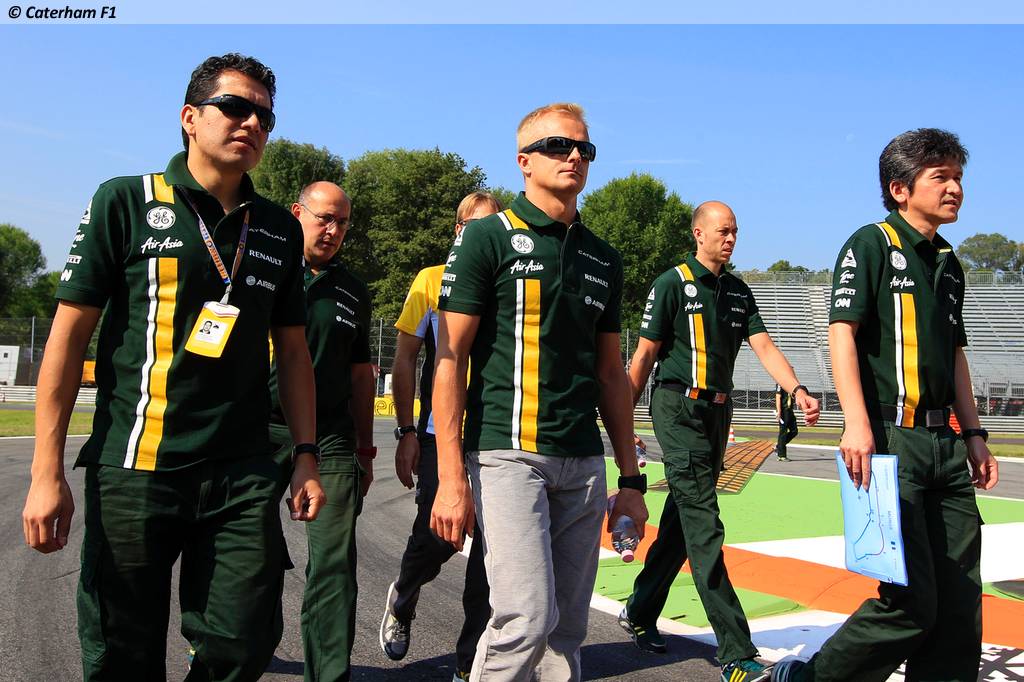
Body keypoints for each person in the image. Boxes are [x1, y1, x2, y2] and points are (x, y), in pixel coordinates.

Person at [21, 53, 325, 682]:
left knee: (244, 639)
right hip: (137, 465)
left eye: (265, 116)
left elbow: (294, 353)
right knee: (122, 650)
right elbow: (66, 341)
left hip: (241, 469)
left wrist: (305, 454)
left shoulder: (277, 227)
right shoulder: (126, 201)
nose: (252, 123)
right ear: (190, 117)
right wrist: (45, 472)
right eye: (235, 107)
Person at [429, 103, 649, 682]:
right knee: (524, 619)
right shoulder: (486, 238)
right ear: (524, 161)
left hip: (583, 464)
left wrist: (630, 482)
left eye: (584, 148)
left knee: (566, 632)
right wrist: (450, 478)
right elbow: (449, 361)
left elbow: (611, 375)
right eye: (558, 145)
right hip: (508, 456)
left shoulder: (604, 257)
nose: (574, 155)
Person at [772, 129, 999, 682]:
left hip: (946, 445)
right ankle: (811, 679)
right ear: (900, 189)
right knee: (909, 601)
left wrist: (974, 435)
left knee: (960, 602)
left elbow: (956, 353)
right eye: (940, 177)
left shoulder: (949, 261)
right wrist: (856, 424)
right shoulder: (870, 244)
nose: (955, 188)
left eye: (958, 176)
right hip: (891, 441)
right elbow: (841, 333)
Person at [617, 201, 820, 682]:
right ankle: (736, 653)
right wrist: (621, 421)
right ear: (698, 233)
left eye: (735, 232)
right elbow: (644, 356)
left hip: (717, 413)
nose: (730, 239)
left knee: (683, 522)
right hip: (678, 408)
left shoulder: (738, 291)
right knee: (705, 526)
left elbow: (764, 346)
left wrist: (797, 389)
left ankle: (640, 609)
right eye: (723, 231)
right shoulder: (671, 284)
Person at [380, 191, 502, 681]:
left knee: (490, 556)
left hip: (494, 433)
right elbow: (405, 358)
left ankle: (470, 664)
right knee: (439, 535)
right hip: (437, 432)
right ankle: (403, 596)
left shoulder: (507, 282)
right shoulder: (431, 281)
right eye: (476, 226)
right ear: (458, 230)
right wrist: (406, 430)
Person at [268, 181, 375, 682]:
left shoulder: (353, 290)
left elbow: (361, 376)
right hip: (255, 429)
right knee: (246, 553)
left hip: (330, 435)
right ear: (297, 213)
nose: (332, 230)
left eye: (342, 222)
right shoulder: (260, 265)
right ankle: (223, 646)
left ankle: (328, 675)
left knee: (334, 562)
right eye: (324, 218)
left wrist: (365, 450)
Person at [775, 383, 799, 461]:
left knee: (794, 431)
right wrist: (779, 412)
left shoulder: (790, 383)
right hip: (783, 411)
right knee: (783, 432)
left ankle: (779, 446)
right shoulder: (780, 384)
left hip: (789, 410)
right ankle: (781, 455)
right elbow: (778, 397)